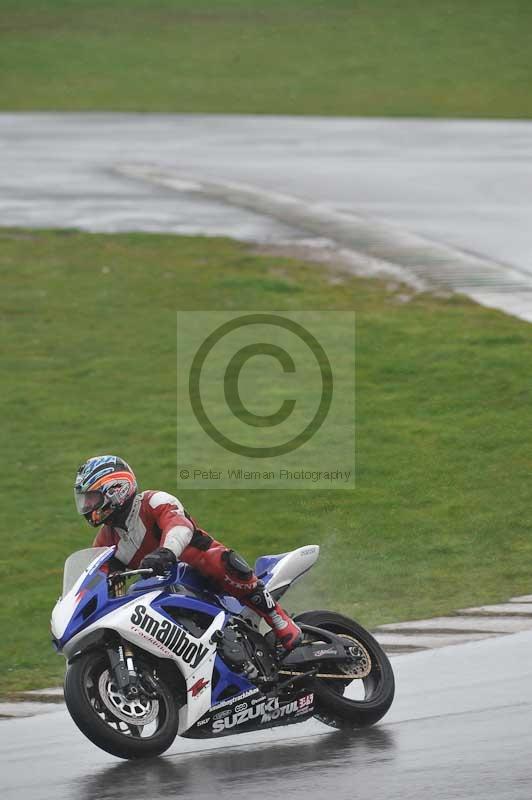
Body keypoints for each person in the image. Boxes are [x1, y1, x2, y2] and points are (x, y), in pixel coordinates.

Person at [74, 455, 301, 650]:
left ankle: (277, 619)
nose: (87, 507)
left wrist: (166, 552)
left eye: (92, 498)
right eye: (85, 500)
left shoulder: (153, 501)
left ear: (116, 490)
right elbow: (98, 573)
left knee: (220, 561)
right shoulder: (107, 538)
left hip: (199, 568)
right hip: (162, 587)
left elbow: (179, 526)